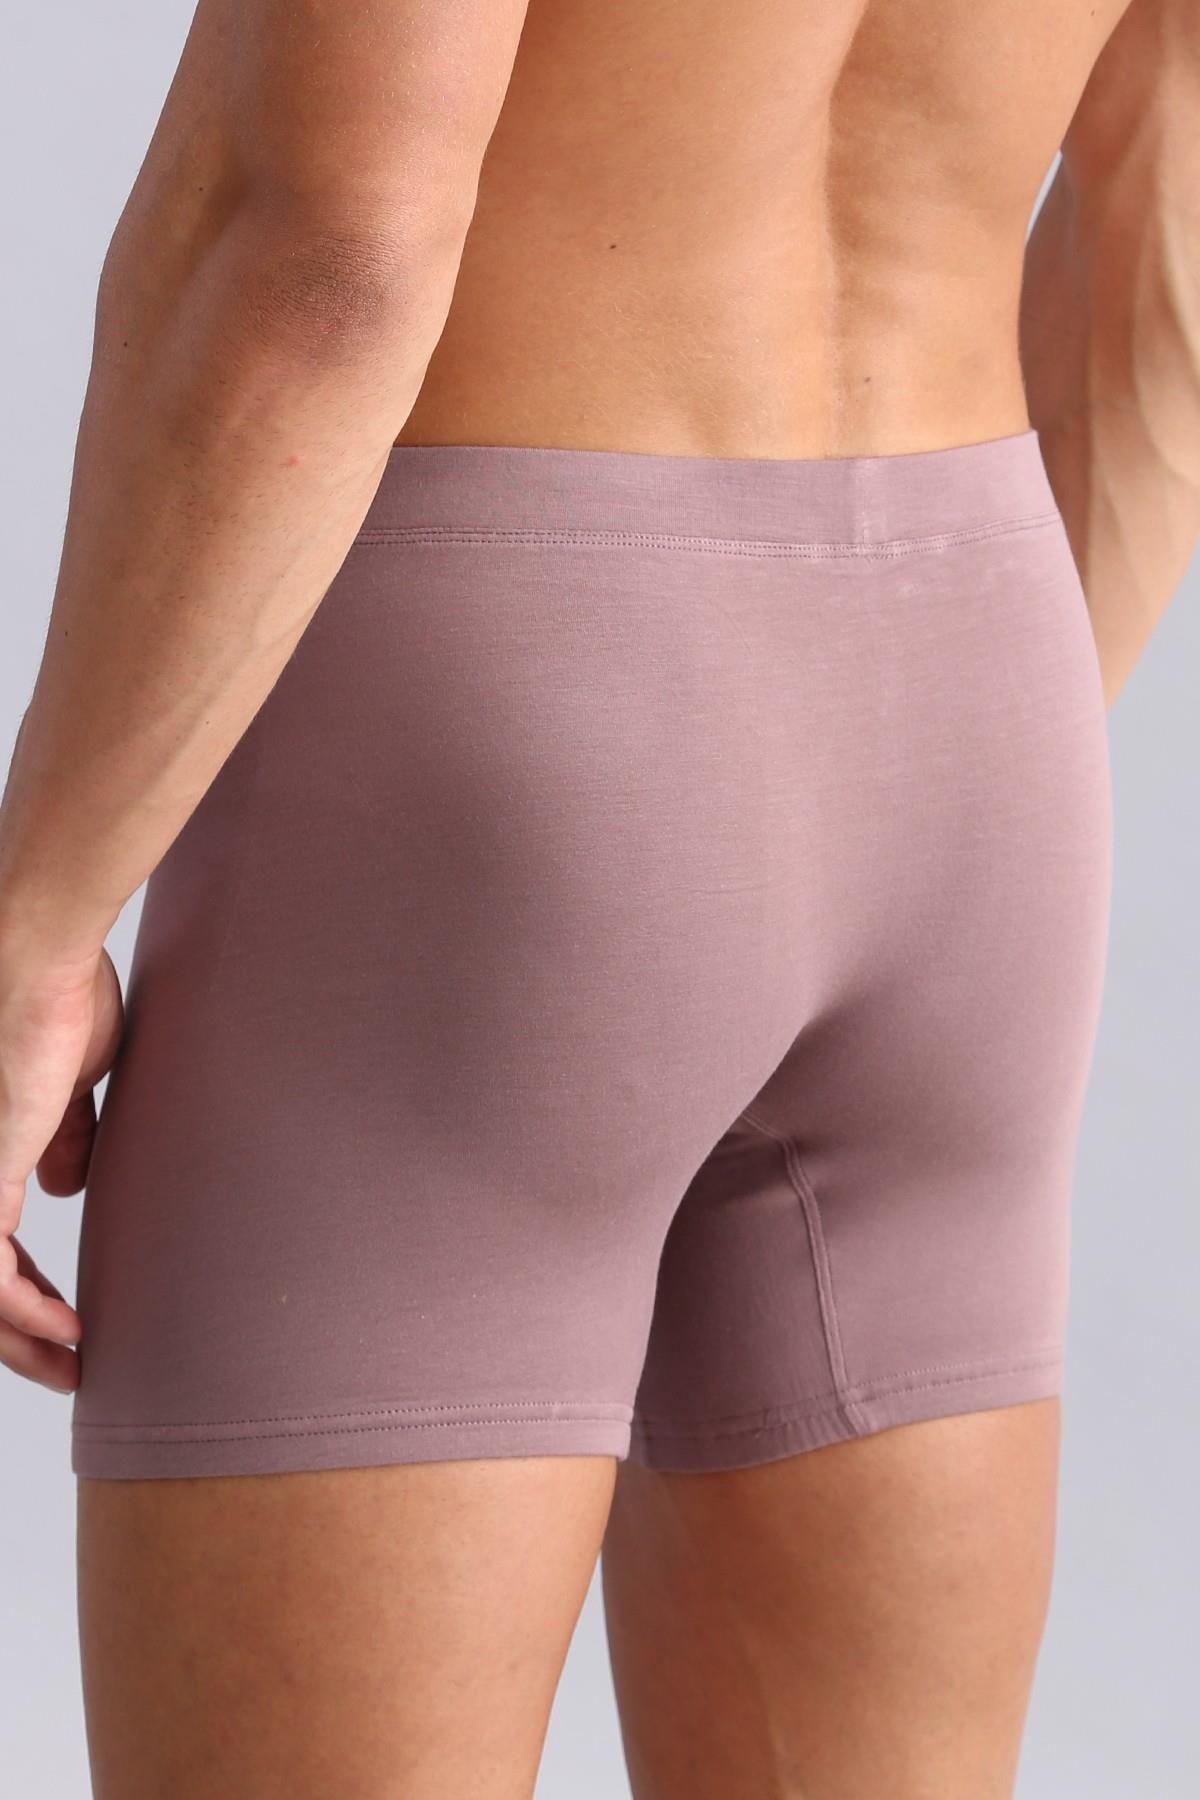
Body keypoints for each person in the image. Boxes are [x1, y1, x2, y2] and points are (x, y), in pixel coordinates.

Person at [0, 0, 1196, 1793]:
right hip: (975, 706)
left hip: (485, 734)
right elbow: (1167, 249)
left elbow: (323, 244)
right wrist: (892, 793)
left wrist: (35, 925)